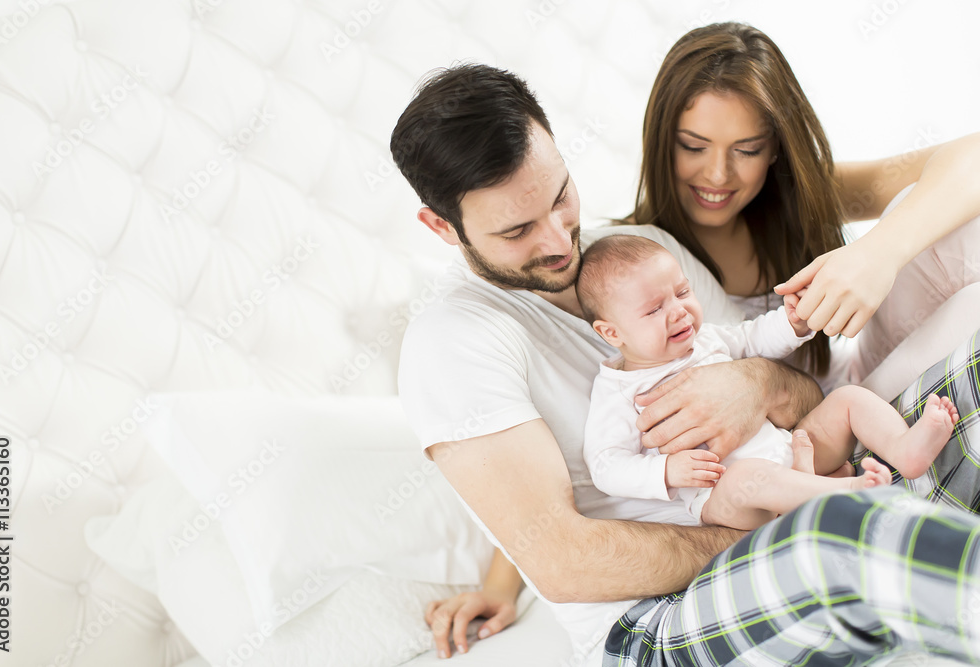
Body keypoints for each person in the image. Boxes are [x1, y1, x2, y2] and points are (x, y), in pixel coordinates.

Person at [390, 62, 980, 666]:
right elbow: (565, 560)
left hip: (796, 483)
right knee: (841, 530)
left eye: (560, 197)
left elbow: (793, 395)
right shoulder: (454, 341)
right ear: (441, 226)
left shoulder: (646, 253)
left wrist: (753, 385)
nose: (559, 241)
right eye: (517, 229)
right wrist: (771, 516)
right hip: (656, 619)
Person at [631, 21, 980, 403]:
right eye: (693, 146)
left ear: (775, 148)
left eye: (747, 150)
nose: (717, 175)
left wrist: (877, 254)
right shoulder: (628, 254)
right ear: (662, 139)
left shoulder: (795, 195)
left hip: (864, 391)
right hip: (808, 444)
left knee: (952, 221)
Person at [578, 234, 958, 530]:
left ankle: (905, 450)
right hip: (726, 494)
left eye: (682, 292)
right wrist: (665, 471)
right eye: (654, 308)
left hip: (789, 447)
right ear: (611, 332)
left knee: (847, 399)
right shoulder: (618, 391)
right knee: (750, 476)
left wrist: (792, 323)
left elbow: (752, 338)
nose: (679, 312)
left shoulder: (706, 339)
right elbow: (606, 465)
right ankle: (847, 491)